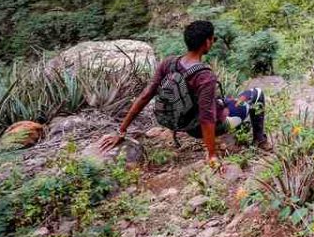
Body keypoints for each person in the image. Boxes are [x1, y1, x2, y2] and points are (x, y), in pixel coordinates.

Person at [102, 20, 269, 164]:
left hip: (180, 122)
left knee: (226, 100)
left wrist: (121, 130)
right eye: (213, 38)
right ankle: (259, 140)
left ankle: (242, 129)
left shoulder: (168, 63)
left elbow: (145, 96)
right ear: (207, 42)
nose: (213, 41)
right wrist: (212, 155)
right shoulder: (205, 76)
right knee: (257, 93)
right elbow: (207, 119)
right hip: (199, 128)